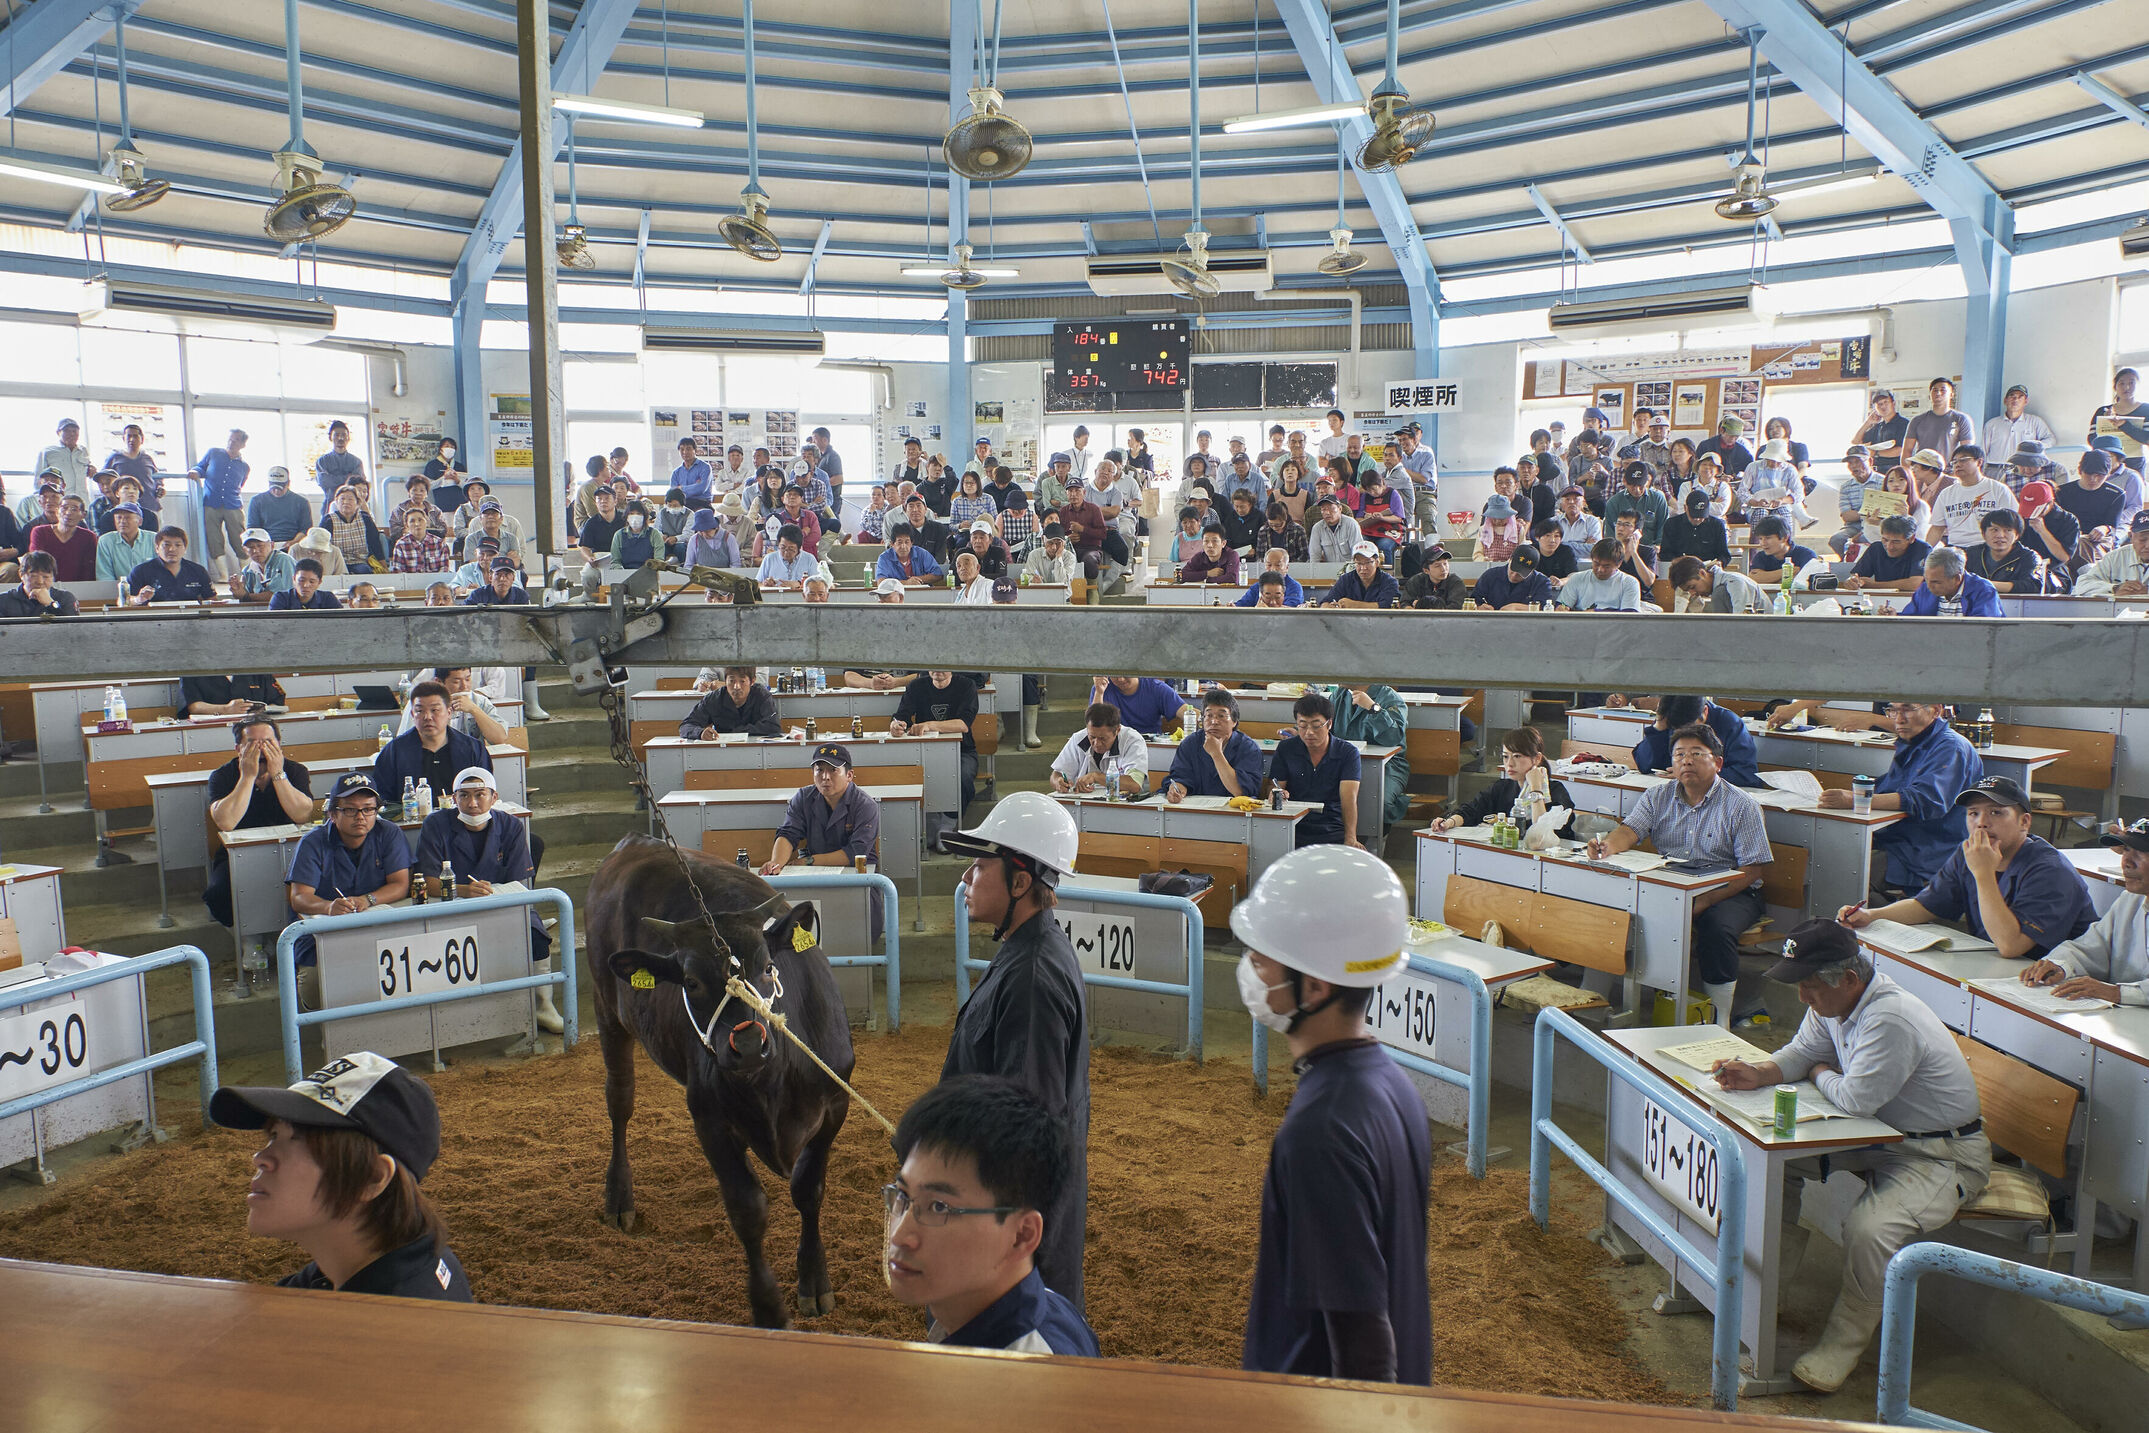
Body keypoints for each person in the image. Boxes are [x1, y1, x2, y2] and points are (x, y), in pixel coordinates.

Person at [1711, 920, 1988, 1392]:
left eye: (1811, 986)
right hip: (1879, 1137)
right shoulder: (1833, 999)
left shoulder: (1890, 1017)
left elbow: (1855, 1099)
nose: (1803, 998)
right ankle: (1763, 1295)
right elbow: (1803, 1051)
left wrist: (1819, 1072)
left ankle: (1841, 1346)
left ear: (1850, 979)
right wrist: (1761, 1071)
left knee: (1869, 1229)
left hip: (1939, 1153)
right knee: (1763, 1166)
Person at [1234, 846, 1430, 1384]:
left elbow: (1361, 1339)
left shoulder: (1321, 1130)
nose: (1250, 970)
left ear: (1315, 985)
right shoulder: (1390, 1084)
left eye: (1261, 958)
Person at [938, 791, 1089, 1307]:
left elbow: (1028, 1128)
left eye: (979, 867)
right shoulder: (1028, 952)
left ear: (1021, 882)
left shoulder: (1031, 979)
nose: (966, 879)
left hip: (1010, 1244)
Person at [210, 1050, 471, 1301]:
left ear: (372, 1178)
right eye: (274, 1135)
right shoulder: (397, 1258)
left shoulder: (382, 1327)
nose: (261, 1158)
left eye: (298, 1139)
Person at [884, 1076, 1098, 1355]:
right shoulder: (1051, 1306)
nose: (900, 1236)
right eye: (902, 1196)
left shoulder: (1027, 1380)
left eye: (939, 1207)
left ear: (1022, 1235)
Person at [1589, 722, 1772, 1025]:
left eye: (1697, 754)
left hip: (1732, 889)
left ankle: (1719, 1017)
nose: (1686, 761)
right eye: (1679, 754)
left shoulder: (1742, 805)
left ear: (1718, 763)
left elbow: (1752, 870)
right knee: (1613, 910)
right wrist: (1607, 846)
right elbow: (1629, 831)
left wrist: (1707, 900)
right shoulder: (1658, 796)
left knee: (1718, 930)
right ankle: (1595, 996)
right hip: (1674, 883)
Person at [1841, 776, 2093, 961]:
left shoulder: (2050, 871)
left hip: (2055, 978)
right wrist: (1872, 915)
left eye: (1996, 812)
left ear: (2024, 822)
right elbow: (1925, 905)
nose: (1982, 823)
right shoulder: (1969, 852)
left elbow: (2011, 945)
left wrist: (1983, 874)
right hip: (1999, 967)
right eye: (1973, 813)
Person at [414, 767, 559, 1032]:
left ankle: (543, 1004)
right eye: (464, 795)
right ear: (453, 798)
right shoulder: (436, 825)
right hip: (452, 905)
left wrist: (491, 895)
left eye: (480, 794)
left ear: (494, 798)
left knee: (535, 935)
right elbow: (428, 882)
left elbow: (518, 883)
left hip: (501, 904)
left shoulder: (510, 826)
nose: (472, 803)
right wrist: (462, 890)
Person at [1828, 700, 1983, 893]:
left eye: (1908, 710)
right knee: (1829, 855)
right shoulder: (1913, 740)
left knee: (1846, 876)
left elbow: (1924, 800)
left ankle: (1887, 917)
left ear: (1935, 710)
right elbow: (1892, 786)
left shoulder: (1951, 748)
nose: (1898, 719)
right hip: (1897, 837)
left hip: (1927, 848)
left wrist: (1854, 799)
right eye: (1893, 710)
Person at [284, 772, 413, 968]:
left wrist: (367, 899)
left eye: (368, 809)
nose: (361, 817)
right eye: (350, 810)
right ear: (333, 814)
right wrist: (328, 907)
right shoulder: (312, 842)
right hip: (322, 932)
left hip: (376, 925)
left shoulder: (388, 833)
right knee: (316, 985)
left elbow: (400, 884)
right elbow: (299, 898)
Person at [202, 716, 313, 933]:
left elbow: (302, 815)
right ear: (238, 748)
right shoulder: (222, 775)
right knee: (218, 892)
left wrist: (278, 774)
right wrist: (247, 777)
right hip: (238, 853)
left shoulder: (296, 770)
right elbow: (226, 822)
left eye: (269, 743)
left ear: (279, 745)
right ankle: (246, 936)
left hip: (292, 850)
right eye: (253, 744)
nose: (262, 750)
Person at [2022, 817, 2149, 1005]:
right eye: (2127, 850)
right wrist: (2061, 965)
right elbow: (2093, 945)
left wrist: (2117, 992)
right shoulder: (2131, 900)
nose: (2127, 862)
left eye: (2141, 852)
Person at [764, 742, 882, 909]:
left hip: (858, 878)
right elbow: (789, 834)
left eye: (833, 770)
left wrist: (809, 861)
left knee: (859, 923)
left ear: (849, 775)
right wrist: (775, 864)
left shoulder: (864, 805)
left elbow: (856, 852)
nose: (825, 777)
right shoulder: (804, 797)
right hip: (815, 875)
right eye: (819, 770)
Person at [1437, 724, 1575, 837]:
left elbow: (1541, 832)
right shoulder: (1502, 787)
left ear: (1537, 759)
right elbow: (1472, 810)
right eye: (1505, 757)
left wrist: (1536, 788)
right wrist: (1448, 823)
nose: (1509, 764)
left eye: (1517, 756)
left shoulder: (1556, 791)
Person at [373, 680, 492, 807]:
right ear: (413, 714)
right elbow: (383, 799)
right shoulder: (395, 751)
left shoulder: (472, 748)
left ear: (449, 713)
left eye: (435, 710)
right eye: (420, 711)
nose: (427, 717)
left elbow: (485, 793)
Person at [1268, 691, 1362, 849]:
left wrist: (1350, 837)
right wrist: (1275, 794)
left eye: (1316, 726)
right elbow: (1275, 787)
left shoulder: (1347, 752)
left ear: (1329, 724)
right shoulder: (1286, 748)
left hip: (1332, 827)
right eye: (1302, 725)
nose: (1309, 732)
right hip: (1294, 824)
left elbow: (1349, 799)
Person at [892, 671, 981, 821]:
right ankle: (929, 821)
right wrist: (896, 725)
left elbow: (963, 724)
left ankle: (949, 823)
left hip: (962, 750)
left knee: (964, 778)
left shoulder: (966, 685)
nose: (937, 669)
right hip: (923, 750)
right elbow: (901, 715)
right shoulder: (916, 686)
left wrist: (929, 725)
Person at [1631, 694, 1762, 787]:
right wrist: (1658, 726)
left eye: (1689, 727)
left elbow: (1747, 775)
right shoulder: (1670, 717)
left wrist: (1696, 773)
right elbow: (1644, 765)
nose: (1683, 735)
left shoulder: (1731, 723)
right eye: (1677, 730)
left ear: (1705, 712)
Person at [1165, 687, 1262, 802]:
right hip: (1195, 810)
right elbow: (1180, 776)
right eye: (1209, 715)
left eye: (1221, 716)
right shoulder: (1190, 743)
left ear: (1234, 721)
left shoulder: (1248, 748)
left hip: (1235, 813)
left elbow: (1240, 791)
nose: (1214, 721)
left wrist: (1216, 753)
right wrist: (1177, 789)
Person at [1049, 702, 1147, 797]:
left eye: (1103, 738)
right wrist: (1058, 782)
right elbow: (1056, 774)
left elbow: (1134, 785)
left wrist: (1096, 777)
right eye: (1092, 737)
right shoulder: (1078, 738)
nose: (1097, 743)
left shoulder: (1132, 741)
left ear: (1117, 730)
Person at [1926, 446, 2012, 552]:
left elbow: (2012, 522)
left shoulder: (1998, 489)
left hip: (1988, 548)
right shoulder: (1946, 493)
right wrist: (1924, 553)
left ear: (1979, 462)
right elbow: (1937, 528)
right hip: (1955, 549)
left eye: (1963, 460)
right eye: (1954, 462)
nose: (1957, 464)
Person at [399, 666, 508, 745]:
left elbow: (499, 738)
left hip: (468, 761)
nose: (464, 686)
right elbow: (406, 742)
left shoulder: (479, 701)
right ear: (438, 682)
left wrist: (474, 710)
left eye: (467, 679)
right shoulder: (421, 704)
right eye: (456, 681)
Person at [192, 428, 250, 576]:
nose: (232, 442)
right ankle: (224, 575)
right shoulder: (214, 453)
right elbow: (200, 467)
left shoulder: (244, 466)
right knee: (213, 537)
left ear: (243, 444)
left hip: (233, 504)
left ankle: (247, 574)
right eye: (230, 438)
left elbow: (240, 484)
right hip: (211, 502)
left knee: (239, 538)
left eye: (236, 440)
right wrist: (195, 472)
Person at [1894, 545, 2002, 617]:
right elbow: (1909, 620)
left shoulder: (1984, 590)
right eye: (1926, 580)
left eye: (1937, 582)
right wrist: (1894, 616)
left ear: (1957, 578)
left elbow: (1984, 629)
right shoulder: (1925, 588)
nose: (1929, 586)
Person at [679, 665, 781, 739]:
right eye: (732, 681)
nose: (736, 687)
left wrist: (737, 731)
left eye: (742, 681)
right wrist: (700, 733)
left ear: (752, 681)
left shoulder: (762, 696)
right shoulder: (714, 698)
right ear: (725, 681)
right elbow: (686, 725)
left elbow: (773, 726)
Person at [1841, 515, 1931, 594]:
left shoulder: (1922, 548)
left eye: (1896, 542)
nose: (1889, 547)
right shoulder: (1876, 548)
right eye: (1885, 540)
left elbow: (1915, 584)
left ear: (1911, 539)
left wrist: (1874, 585)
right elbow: (1856, 576)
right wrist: (1851, 582)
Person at [128, 526, 216, 603]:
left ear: (185, 549)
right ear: (157, 548)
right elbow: (125, 601)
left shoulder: (198, 570)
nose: (172, 549)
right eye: (166, 545)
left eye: (178, 545)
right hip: (153, 619)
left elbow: (212, 599)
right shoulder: (140, 571)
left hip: (190, 618)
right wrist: (139, 599)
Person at [1964, 509, 2040, 593]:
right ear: (1983, 534)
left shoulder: (2029, 557)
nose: (2000, 535)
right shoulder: (1972, 554)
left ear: (2017, 535)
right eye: (1994, 530)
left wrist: (1985, 584)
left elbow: (2033, 586)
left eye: (2007, 530)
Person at [1556, 538, 1642, 611]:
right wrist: (1563, 607)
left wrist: (1596, 612)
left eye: (1606, 566)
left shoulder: (1629, 583)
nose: (1600, 570)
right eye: (1596, 564)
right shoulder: (1577, 578)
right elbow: (1563, 603)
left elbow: (1629, 615)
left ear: (1618, 564)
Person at [1905, 377, 1974, 467]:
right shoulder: (1917, 420)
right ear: (1930, 395)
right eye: (1935, 390)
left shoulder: (1961, 419)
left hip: (1948, 471)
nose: (1938, 393)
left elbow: (1967, 452)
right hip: (1922, 472)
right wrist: (1908, 473)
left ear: (1951, 395)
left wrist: (1957, 473)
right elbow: (1907, 450)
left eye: (1943, 390)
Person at [28, 493, 95, 580]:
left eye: (74, 509)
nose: (68, 513)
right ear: (57, 511)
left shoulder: (88, 537)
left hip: (79, 586)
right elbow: (36, 563)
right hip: (45, 584)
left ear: (83, 515)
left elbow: (89, 570)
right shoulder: (40, 532)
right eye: (64, 508)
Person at [1658, 487, 1731, 566]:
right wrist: (1676, 561)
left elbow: (1724, 555)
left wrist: (1720, 562)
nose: (1697, 519)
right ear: (1686, 508)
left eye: (1701, 516)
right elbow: (1665, 554)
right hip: (1680, 570)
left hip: (1708, 570)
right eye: (1693, 516)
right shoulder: (1672, 524)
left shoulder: (1717, 525)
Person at [1091, 674, 1184, 736]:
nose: (1120, 679)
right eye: (1115, 675)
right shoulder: (1102, 688)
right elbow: (1093, 723)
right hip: (1114, 745)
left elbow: (1187, 711)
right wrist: (1099, 692)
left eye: (1126, 674)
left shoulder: (1156, 688)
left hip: (1148, 746)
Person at [1316, 543, 1399, 609]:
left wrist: (1353, 605)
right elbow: (1325, 602)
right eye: (1358, 563)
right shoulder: (1345, 579)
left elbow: (1387, 606)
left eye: (1368, 562)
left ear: (1377, 562)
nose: (1363, 568)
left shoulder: (1389, 582)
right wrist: (1330, 607)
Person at [1603, 462, 1670, 545]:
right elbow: (1610, 536)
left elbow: (1663, 528)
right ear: (1624, 482)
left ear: (1647, 482)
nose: (1637, 490)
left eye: (1641, 485)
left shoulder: (1658, 498)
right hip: (1621, 550)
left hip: (1651, 549)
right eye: (1632, 485)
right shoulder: (1614, 502)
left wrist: (1658, 546)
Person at [1472, 544, 1554, 609]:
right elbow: (1474, 600)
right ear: (1510, 559)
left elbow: (1543, 608)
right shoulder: (1490, 575)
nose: (1514, 575)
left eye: (1521, 573)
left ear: (1532, 570)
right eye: (1513, 569)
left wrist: (1516, 607)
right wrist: (1479, 607)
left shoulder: (1542, 582)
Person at [0, 550, 79, 617]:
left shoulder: (66, 598)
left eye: (46, 577)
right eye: (34, 576)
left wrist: (50, 604)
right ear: (21, 575)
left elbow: (72, 629)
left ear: (53, 577)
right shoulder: (3, 600)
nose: (40, 582)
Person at [94, 501, 157, 583]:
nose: (122, 521)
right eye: (119, 518)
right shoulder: (105, 541)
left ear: (140, 521)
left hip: (150, 591)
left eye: (127, 517)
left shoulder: (154, 539)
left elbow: (161, 571)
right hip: (118, 591)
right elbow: (104, 576)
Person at [248, 467, 313, 546]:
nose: (276, 491)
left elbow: (306, 530)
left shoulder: (302, 502)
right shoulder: (256, 501)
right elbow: (253, 529)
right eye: (273, 488)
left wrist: (293, 542)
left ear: (288, 483)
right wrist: (264, 544)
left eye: (280, 488)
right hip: (265, 543)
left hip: (294, 543)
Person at [1398, 544, 1466, 608]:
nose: (1443, 569)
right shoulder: (1415, 581)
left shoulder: (1456, 582)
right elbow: (1404, 603)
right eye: (1437, 566)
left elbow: (1455, 608)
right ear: (1426, 571)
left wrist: (1420, 605)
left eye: (1445, 564)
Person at [756, 524, 822, 588]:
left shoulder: (809, 559)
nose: (786, 552)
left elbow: (817, 585)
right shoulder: (769, 559)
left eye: (791, 549)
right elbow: (757, 584)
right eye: (783, 547)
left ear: (799, 547)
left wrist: (799, 584)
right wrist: (765, 584)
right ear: (778, 544)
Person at [1307, 492, 1363, 564]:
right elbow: (1314, 556)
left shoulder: (1351, 524)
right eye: (1323, 509)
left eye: (1331, 508)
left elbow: (1358, 552)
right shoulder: (1317, 528)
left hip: (1349, 569)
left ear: (1340, 509)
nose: (1327, 512)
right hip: (1328, 571)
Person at [1855, 388, 1909, 463]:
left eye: (1886, 402)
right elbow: (1856, 441)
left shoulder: (1904, 423)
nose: (1883, 406)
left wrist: (1875, 453)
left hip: (1895, 470)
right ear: (1875, 408)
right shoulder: (1878, 426)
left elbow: (1900, 450)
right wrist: (1868, 422)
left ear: (1893, 404)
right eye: (1879, 404)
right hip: (1876, 470)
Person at [268, 558, 340, 610]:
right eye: (301, 580)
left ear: (319, 582)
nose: (306, 585)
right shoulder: (280, 598)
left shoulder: (328, 598)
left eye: (311, 582)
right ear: (294, 579)